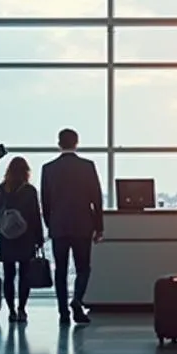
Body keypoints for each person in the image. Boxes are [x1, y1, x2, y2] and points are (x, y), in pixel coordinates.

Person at [41, 129, 104, 326]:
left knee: (60, 270)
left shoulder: (48, 168)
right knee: (83, 268)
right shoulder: (87, 166)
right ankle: (76, 300)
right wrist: (99, 226)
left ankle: (63, 313)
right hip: (83, 225)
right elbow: (97, 198)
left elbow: (45, 201)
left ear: (59, 143)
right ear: (77, 143)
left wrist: (50, 224)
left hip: (59, 226)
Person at [0, 156, 44, 324]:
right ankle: (22, 309)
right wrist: (39, 239)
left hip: (6, 239)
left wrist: (2, 226)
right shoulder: (29, 191)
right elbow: (35, 217)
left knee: (9, 275)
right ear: (26, 172)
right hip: (26, 238)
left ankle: (11, 310)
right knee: (25, 275)